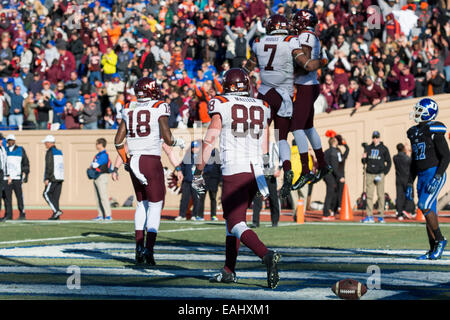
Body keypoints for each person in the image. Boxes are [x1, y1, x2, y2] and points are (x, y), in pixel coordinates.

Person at [192, 68, 281, 289]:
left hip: (236, 167)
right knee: (232, 222)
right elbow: (265, 140)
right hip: (256, 169)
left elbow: (211, 138)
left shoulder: (221, 102)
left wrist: (198, 170)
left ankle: (266, 255)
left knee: (235, 223)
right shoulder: (261, 105)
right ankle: (229, 270)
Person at [244, 14, 326, 198]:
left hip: (265, 91)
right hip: (284, 93)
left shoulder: (259, 41)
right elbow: (304, 63)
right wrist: (322, 61)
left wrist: (241, 73)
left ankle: (261, 169)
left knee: (260, 132)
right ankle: (287, 168)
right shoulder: (291, 40)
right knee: (281, 136)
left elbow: (251, 65)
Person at [114, 76, 185, 266]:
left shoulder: (129, 108)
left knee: (141, 204)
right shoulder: (158, 106)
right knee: (155, 205)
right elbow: (168, 139)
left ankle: (138, 247)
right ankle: (149, 249)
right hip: (151, 160)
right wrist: (178, 142)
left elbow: (118, 142)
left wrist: (125, 161)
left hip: (134, 159)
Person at [290, 10, 331, 190]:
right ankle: (322, 165)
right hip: (310, 85)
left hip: (305, 85)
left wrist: (288, 75)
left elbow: (305, 65)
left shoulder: (306, 36)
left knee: (296, 126)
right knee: (307, 127)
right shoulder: (309, 35)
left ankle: (306, 169)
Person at [407, 98, 449, 260]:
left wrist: (438, 175)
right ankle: (433, 249)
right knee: (428, 212)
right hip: (422, 174)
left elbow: (446, 156)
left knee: (424, 205)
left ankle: (440, 240)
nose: (416, 113)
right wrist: (410, 181)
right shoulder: (413, 132)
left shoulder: (434, 130)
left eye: (420, 111)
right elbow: (414, 160)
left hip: (434, 173)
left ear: (428, 113)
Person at [361, 131, 392, 223]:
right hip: (370, 173)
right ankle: (369, 216)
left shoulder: (384, 148)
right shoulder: (368, 148)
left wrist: (384, 173)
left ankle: (380, 216)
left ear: (379, 138)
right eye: (374, 137)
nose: (375, 139)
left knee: (380, 195)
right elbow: (364, 162)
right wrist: (363, 158)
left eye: (377, 137)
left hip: (379, 174)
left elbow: (389, 162)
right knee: (369, 195)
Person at [251, 140, 281, 227]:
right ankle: (255, 222)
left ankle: (275, 221)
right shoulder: (256, 145)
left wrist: (279, 169)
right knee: (257, 199)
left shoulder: (272, 145)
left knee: (273, 198)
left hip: (270, 175)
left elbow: (281, 157)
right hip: (260, 174)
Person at [1, 134, 29, 221]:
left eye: (12, 140)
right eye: (8, 140)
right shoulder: (4, 150)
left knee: (19, 196)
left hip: (17, 177)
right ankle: (8, 214)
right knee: (7, 198)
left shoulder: (20, 149)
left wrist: (26, 173)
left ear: (14, 141)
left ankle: (22, 213)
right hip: (6, 178)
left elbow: (25, 162)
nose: (10, 142)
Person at [175, 140, 204, 221]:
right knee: (184, 199)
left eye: (196, 147)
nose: (194, 149)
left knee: (196, 199)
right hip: (187, 181)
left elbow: (206, 167)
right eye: (193, 147)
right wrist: (181, 175)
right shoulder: (187, 157)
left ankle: (195, 215)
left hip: (196, 181)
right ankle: (182, 215)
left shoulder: (201, 157)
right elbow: (182, 167)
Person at [90, 138, 113, 221]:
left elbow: (95, 165)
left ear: (100, 144)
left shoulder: (104, 154)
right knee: (98, 197)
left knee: (103, 196)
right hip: (96, 177)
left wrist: (93, 165)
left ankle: (108, 215)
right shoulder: (98, 155)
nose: (96, 145)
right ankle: (100, 214)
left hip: (102, 176)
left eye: (97, 144)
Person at [42, 135, 64, 220]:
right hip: (60, 177)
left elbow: (49, 165)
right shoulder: (59, 151)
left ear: (49, 143)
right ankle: (56, 215)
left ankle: (56, 211)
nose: (45, 144)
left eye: (46, 142)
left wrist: (47, 178)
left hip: (53, 177)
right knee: (55, 196)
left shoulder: (50, 152)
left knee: (46, 194)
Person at [323, 137, 343, 221]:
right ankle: (326, 213)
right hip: (330, 175)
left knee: (332, 193)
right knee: (330, 194)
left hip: (326, 174)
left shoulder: (326, 151)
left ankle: (330, 211)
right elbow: (334, 167)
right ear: (334, 142)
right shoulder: (333, 152)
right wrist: (340, 176)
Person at [199, 148, 221, 221]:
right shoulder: (205, 159)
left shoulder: (218, 162)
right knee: (202, 198)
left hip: (214, 180)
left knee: (213, 199)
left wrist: (220, 181)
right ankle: (200, 215)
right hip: (205, 179)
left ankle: (213, 215)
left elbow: (220, 171)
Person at [393, 143, 414, 220]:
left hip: (398, 179)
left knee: (399, 196)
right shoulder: (407, 158)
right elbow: (412, 163)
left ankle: (399, 213)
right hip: (407, 178)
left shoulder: (395, 157)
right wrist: (409, 152)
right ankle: (407, 210)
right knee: (409, 194)